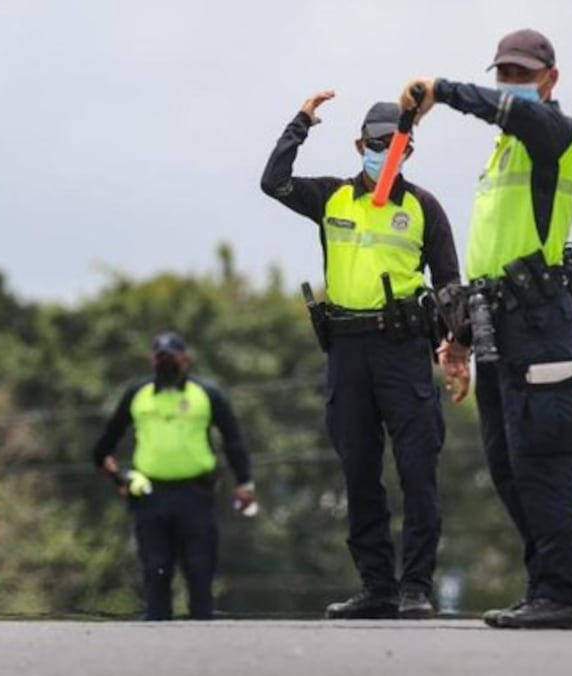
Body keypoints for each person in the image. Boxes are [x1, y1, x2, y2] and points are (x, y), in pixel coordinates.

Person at [400, 28, 572, 630]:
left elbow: (501, 108)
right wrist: (456, 337)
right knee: (508, 465)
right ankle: (545, 588)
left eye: (522, 73)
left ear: (549, 79)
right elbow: (487, 263)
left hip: (541, 325)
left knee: (543, 458)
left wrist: (442, 91)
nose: (511, 83)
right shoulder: (504, 154)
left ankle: (564, 592)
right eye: (504, 72)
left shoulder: (554, 134)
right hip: (500, 327)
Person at [260, 94, 460, 619]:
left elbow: (449, 284)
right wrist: (300, 122)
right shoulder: (332, 198)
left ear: (408, 149)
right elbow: (273, 182)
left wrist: (454, 345)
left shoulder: (423, 207)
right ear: (359, 145)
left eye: (393, 146)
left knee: (418, 471)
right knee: (359, 472)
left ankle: (416, 587)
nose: (383, 154)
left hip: (403, 353)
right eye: (375, 145)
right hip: (347, 353)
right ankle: (377, 588)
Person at [91, 331, 254, 621]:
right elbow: (104, 446)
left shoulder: (206, 393)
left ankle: (202, 652)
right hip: (151, 496)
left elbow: (233, 439)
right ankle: (158, 651)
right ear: (151, 360)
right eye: (160, 357)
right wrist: (119, 480)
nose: (166, 362)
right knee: (156, 571)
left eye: (172, 357)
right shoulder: (137, 395)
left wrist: (244, 483)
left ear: (185, 359)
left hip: (196, 495)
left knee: (199, 571)